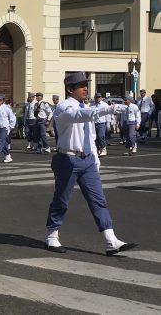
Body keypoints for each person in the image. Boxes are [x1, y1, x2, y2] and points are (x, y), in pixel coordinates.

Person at [44, 72, 137, 255]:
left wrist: (94, 158)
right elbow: (79, 116)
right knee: (62, 200)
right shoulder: (63, 108)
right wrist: (107, 110)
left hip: (87, 160)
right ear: (70, 89)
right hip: (67, 159)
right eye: (81, 86)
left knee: (98, 200)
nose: (85, 88)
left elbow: (91, 136)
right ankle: (51, 235)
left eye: (86, 85)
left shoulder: (86, 106)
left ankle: (111, 241)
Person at [0, 94, 16, 163]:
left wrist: (10, 127)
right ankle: (8, 157)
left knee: (0, 141)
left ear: (2, 101)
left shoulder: (6, 108)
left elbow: (13, 118)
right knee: (4, 143)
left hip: (4, 128)